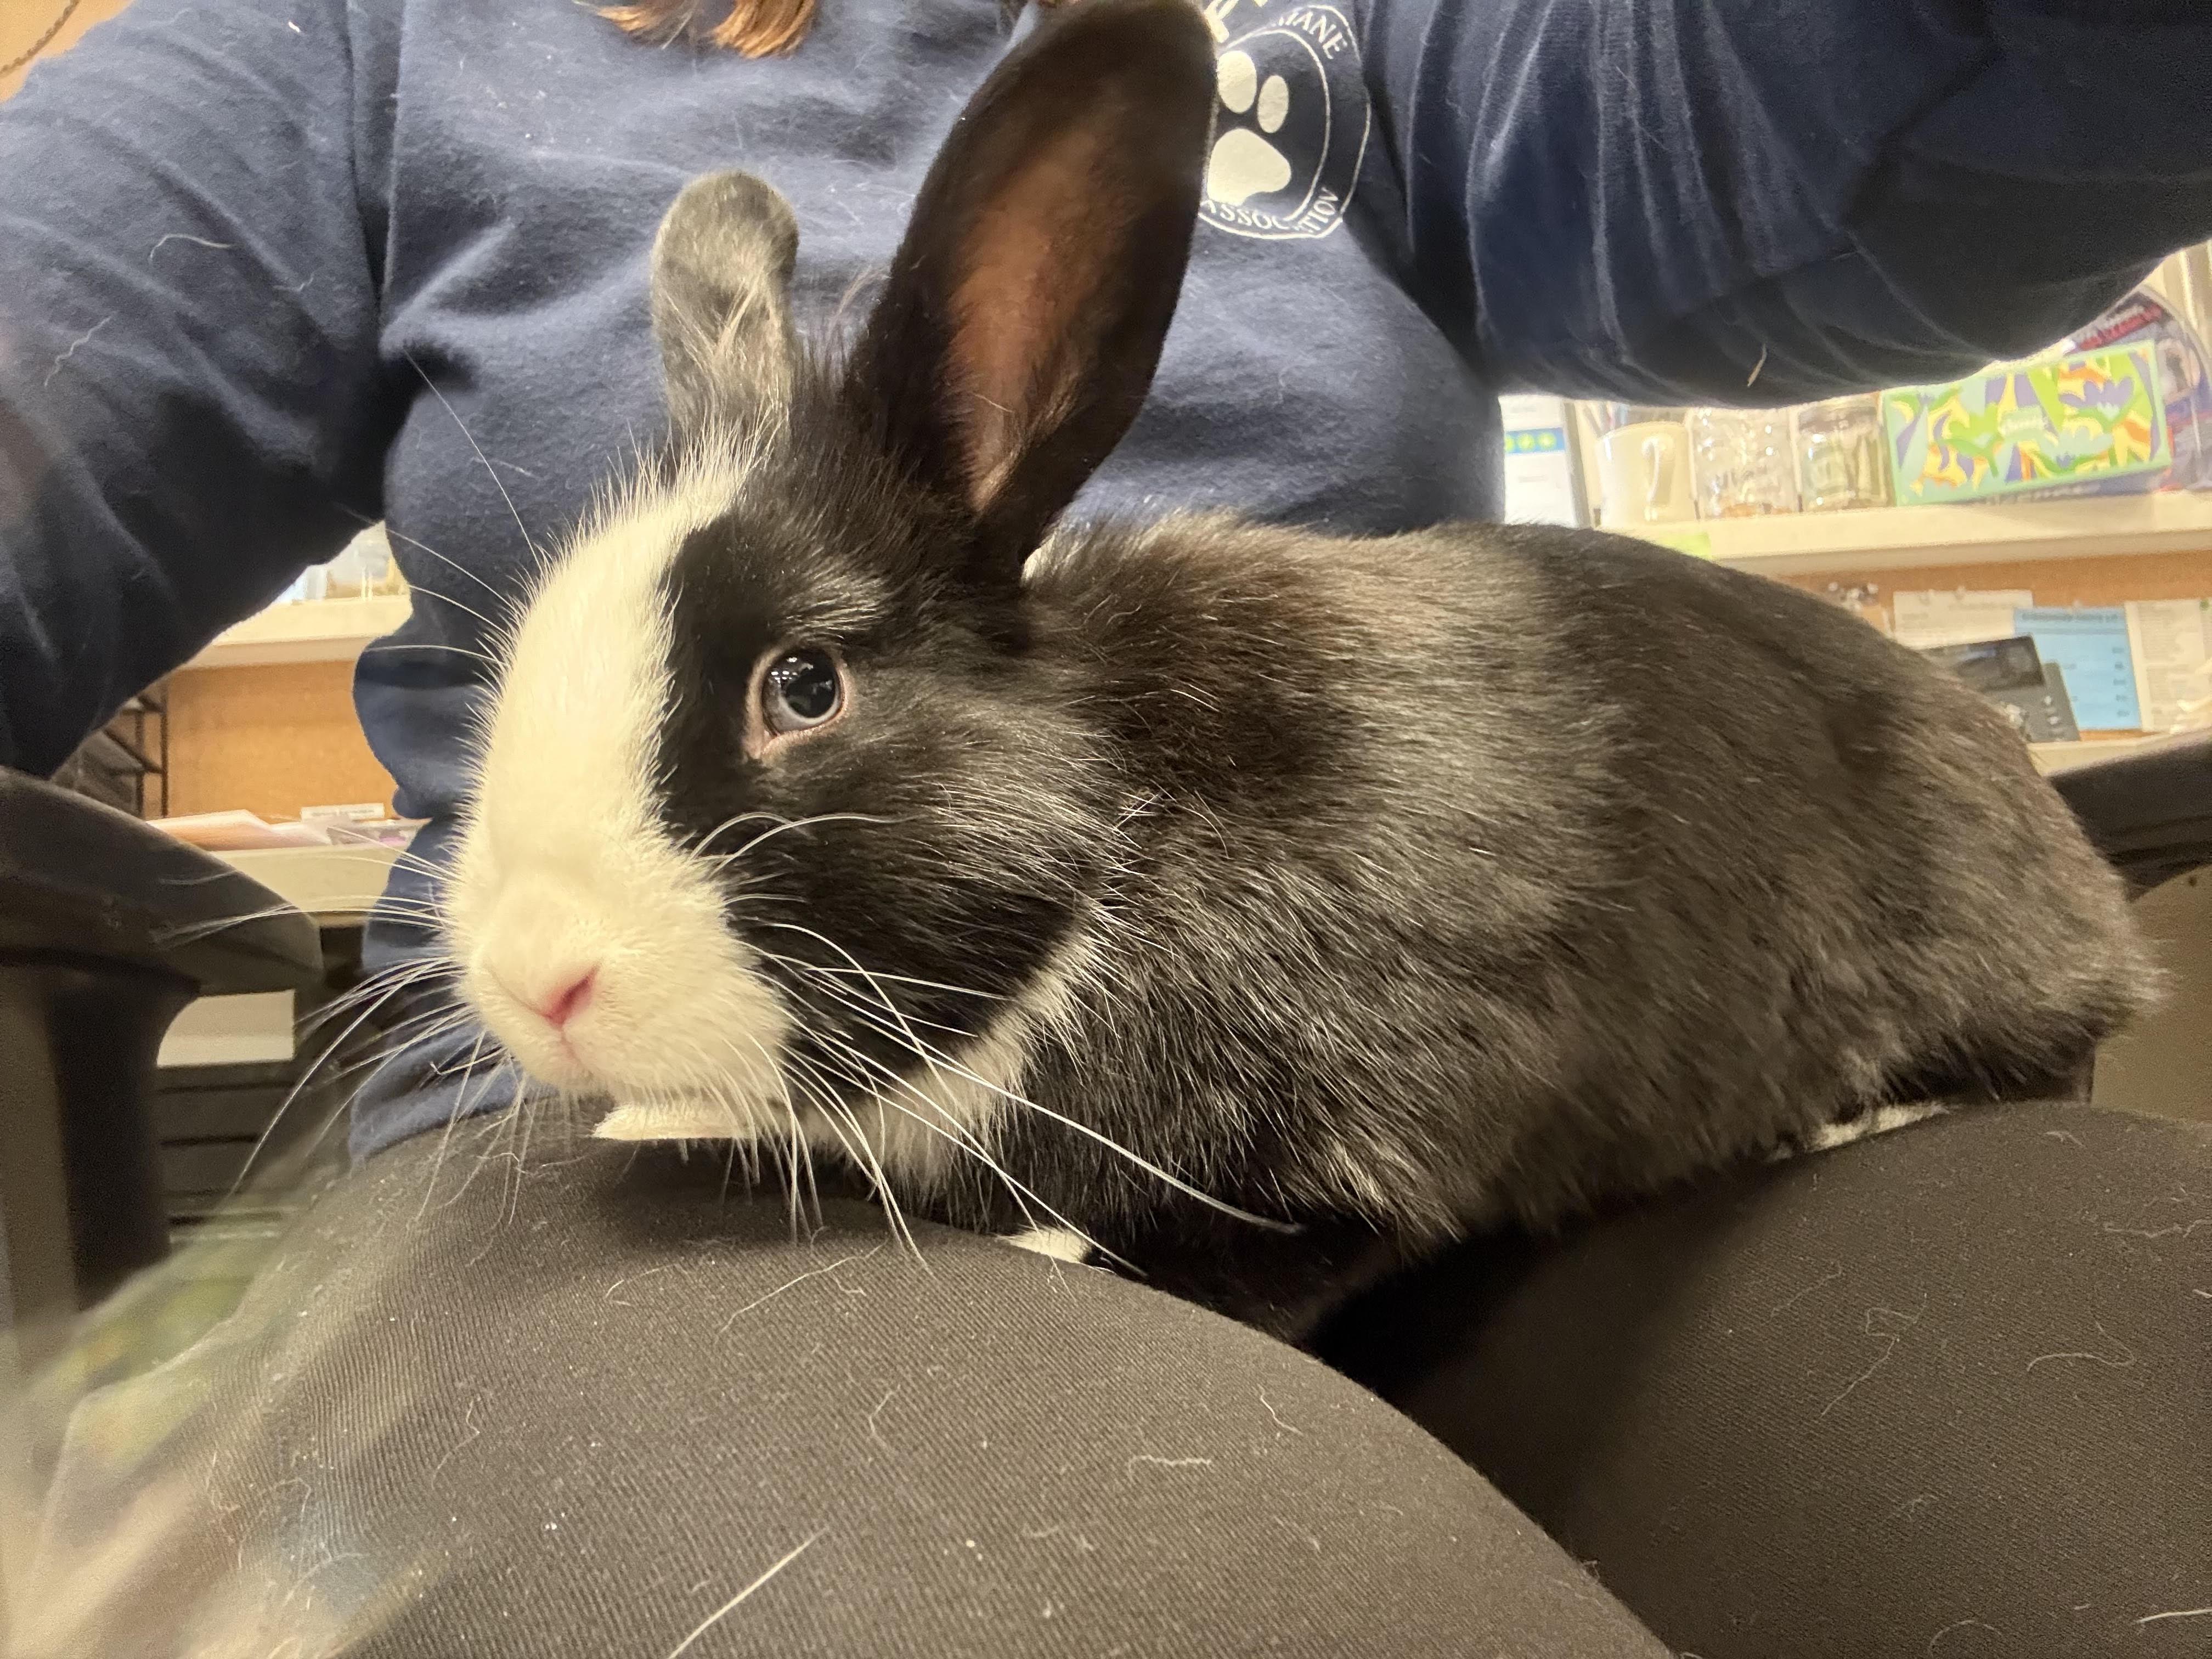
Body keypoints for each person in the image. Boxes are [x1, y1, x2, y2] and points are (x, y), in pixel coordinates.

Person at [2, 0, 2208, 1652]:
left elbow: (1850, 126)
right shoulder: (360, 45)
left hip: (1432, 1135)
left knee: (2093, 1466)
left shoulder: (1376, 38)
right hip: (625, 1150)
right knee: (1142, 1588)